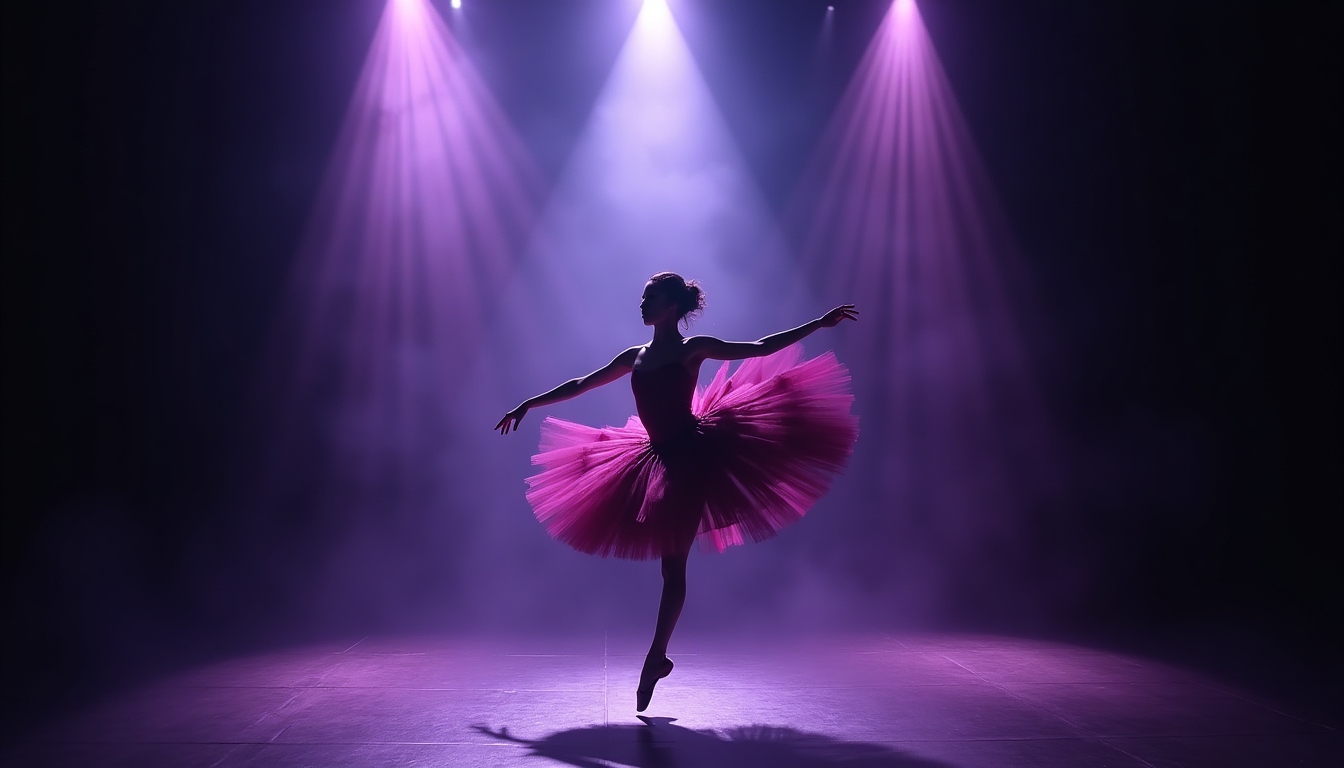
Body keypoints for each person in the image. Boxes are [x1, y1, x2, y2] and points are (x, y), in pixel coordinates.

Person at [496, 272, 858, 712]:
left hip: (692, 457)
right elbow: (582, 384)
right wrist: (529, 403)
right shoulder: (636, 355)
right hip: (653, 457)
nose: (642, 304)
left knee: (673, 566)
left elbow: (760, 347)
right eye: (643, 297)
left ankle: (654, 657)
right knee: (671, 567)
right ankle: (658, 657)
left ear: (670, 305)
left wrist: (818, 323)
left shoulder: (693, 349)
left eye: (649, 297)